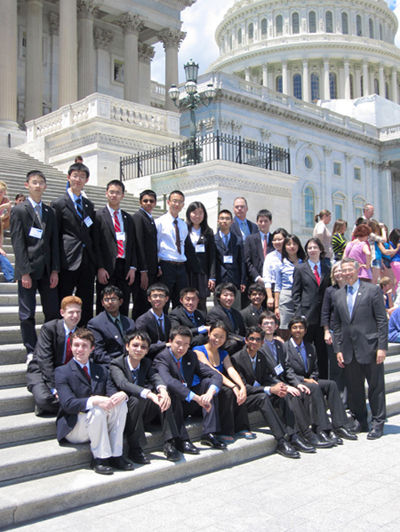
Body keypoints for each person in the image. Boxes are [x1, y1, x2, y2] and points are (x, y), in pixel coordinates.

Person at [55, 328, 132, 475]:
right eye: (76, 345)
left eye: (84, 346)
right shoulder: (62, 372)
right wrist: (94, 400)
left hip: (98, 421)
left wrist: (121, 394)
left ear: (92, 348)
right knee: (96, 409)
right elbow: (68, 404)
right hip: (75, 427)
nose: (80, 349)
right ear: (71, 347)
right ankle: (100, 458)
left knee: (121, 405)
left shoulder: (101, 369)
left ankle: (116, 455)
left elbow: (111, 392)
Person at [334, 258, 388, 439]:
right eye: (344, 270)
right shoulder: (338, 295)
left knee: (375, 388)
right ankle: (361, 421)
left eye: (350, 269)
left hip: (371, 348)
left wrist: (382, 347)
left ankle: (378, 423)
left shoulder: (372, 290)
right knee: (355, 388)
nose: (346, 273)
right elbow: (338, 325)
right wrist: (338, 349)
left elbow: (382, 320)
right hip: (349, 350)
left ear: (357, 270)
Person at [259, 312, 329, 450]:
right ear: (260, 326)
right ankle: (304, 435)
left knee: (306, 389)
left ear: (276, 326)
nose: (269, 326)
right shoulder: (258, 346)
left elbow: (287, 369)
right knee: (293, 395)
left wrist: (297, 383)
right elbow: (264, 375)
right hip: (270, 386)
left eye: (271, 323)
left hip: (284, 381)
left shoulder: (279, 345)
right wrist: (285, 385)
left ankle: (317, 430)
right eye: (265, 323)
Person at [110, 331, 181, 464]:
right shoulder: (116, 364)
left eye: (143, 347)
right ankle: (135, 449)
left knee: (165, 396)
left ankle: (169, 443)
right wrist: (149, 394)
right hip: (124, 415)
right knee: (135, 400)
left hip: (142, 412)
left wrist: (162, 390)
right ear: (127, 346)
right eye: (135, 345)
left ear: (147, 350)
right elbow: (123, 384)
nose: (138, 349)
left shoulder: (146, 363)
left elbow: (155, 377)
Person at [284, 317, 357, 445]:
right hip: (296, 382)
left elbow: (315, 368)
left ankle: (340, 426)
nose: (298, 330)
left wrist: (312, 378)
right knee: (315, 388)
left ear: (305, 330)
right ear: (290, 330)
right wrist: (303, 380)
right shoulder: (285, 347)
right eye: (294, 327)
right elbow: (287, 370)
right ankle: (323, 429)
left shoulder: (310, 347)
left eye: (301, 328)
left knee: (331, 385)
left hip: (310, 381)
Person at [10, 170, 60, 359]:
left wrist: (55, 269)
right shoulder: (19, 210)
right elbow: (18, 243)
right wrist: (23, 272)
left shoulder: (50, 212)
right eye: (34, 182)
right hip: (28, 271)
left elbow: (54, 242)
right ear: (27, 185)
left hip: (48, 271)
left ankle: (49, 348)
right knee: (27, 313)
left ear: (45, 186)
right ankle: (31, 349)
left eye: (41, 182)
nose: (38, 186)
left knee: (52, 312)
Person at [231, 326, 301, 458]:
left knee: (282, 394)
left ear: (262, 343)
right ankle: (281, 440)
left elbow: (265, 377)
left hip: (259, 393)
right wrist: (269, 389)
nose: (254, 342)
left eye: (258, 340)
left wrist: (278, 385)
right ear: (246, 340)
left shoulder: (261, 357)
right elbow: (244, 386)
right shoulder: (236, 359)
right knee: (263, 397)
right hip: (244, 399)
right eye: (251, 339)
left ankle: (293, 435)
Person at [153, 326, 227, 452]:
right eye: (178, 343)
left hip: (186, 403)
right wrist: (196, 398)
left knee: (209, 383)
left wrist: (209, 393)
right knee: (173, 391)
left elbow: (215, 375)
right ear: (170, 342)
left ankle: (209, 434)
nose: (181, 348)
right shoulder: (162, 358)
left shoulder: (190, 356)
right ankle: (182, 440)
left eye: (186, 344)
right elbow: (169, 382)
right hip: (168, 406)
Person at [51, 162, 96, 326]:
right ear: (69, 177)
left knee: (86, 301)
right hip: (67, 259)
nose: (78, 179)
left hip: (86, 260)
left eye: (82, 176)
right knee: (64, 300)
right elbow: (54, 236)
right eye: (75, 176)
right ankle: (63, 335)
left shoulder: (88, 205)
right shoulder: (58, 204)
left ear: (87, 180)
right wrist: (55, 267)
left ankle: (85, 336)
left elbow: (91, 232)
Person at [194, 322, 253, 442]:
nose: (218, 340)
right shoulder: (198, 350)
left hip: (216, 387)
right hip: (201, 390)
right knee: (228, 390)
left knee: (236, 391)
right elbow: (213, 371)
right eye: (215, 335)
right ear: (209, 333)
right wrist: (233, 386)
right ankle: (218, 431)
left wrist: (241, 386)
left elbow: (230, 369)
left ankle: (239, 426)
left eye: (222, 337)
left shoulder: (223, 353)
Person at [26, 296, 82, 416]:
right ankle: (71, 406)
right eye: (71, 312)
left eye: (78, 312)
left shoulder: (81, 333)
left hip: (65, 374)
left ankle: (68, 405)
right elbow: (44, 360)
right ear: (62, 313)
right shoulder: (50, 328)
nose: (75, 316)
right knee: (44, 399)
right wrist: (55, 387)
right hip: (41, 371)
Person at [94, 180, 137, 317]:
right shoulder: (98, 216)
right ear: (106, 193)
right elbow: (96, 244)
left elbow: (132, 245)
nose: (114, 195)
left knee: (123, 302)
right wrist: (100, 267)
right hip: (107, 268)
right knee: (106, 301)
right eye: (111, 192)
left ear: (123, 195)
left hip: (124, 267)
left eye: (118, 193)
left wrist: (132, 267)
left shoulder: (127, 218)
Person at [292, 237, 331, 379]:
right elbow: (296, 294)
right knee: (306, 350)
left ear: (320, 250)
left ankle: (323, 380)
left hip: (323, 317)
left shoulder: (327, 268)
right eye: (309, 248)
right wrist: (299, 315)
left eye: (315, 247)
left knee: (322, 351)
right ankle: (307, 378)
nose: (312, 250)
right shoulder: (300, 269)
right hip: (306, 316)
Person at [156, 190, 188, 311]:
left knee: (180, 300)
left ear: (183, 205)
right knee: (164, 299)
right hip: (166, 265)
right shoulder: (160, 222)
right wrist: (157, 265)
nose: (177, 204)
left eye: (180, 202)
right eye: (174, 201)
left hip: (181, 266)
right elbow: (156, 244)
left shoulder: (183, 225)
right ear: (168, 202)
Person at [88, 286, 135, 366]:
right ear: (102, 303)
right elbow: (98, 353)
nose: (110, 302)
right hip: (108, 365)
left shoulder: (130, 322)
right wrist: (120, 364)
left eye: (113, 299)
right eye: (106, 300)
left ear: (120, 301)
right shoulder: (95, 323)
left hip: (130, 363)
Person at [320, 261, 347, 402]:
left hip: (349, 333)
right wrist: (326, 331)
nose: (338, 273)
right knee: (336, 367)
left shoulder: (352, 289)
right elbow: (325, 312)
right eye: (335, 271)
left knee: (349, 368)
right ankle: (337, 400)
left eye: (340, 270)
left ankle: (349, 400)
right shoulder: (330, 291)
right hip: (333, 331)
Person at [132, 190, 159, 320]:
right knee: (141, 303)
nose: (148, 203)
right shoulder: (138, 217)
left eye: (151, 201)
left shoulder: (150, 218)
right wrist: (143, 270)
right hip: (143, 271)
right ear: (140, 202)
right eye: (145, 201)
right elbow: (139, 244)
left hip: (152, 269)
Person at [184, 201, 216, 312]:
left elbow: (212, 256)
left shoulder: (208, 232)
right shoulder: (183, 229)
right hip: (187, 272)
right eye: (194, 212)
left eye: (200, 213)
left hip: (202, 273)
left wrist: (212, 276)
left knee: (201, 302)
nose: (197, 216)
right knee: (187, 300)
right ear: (189, 213)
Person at [274, 234, 306, 339]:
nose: (291, 246)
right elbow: (278, 286)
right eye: (288, 244)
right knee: (286, 329)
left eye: (294, 244)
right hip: (286, 297)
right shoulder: (280, 264)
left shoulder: (304, 263)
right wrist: (276, 306)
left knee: (301, 327)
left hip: (302, 296)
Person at [214, 209, 246, 310]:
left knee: (235, 309)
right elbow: (211, 262)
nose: (224, 221)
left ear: (232, 222)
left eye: (227, 219)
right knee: (219, 310)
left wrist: (243, 280)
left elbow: (242, 261)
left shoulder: (238, 240)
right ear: (218, 221)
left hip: (234, 279)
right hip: (219, 279)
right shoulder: (213, 239)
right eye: (222, 218)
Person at [207, 282, 246, 355]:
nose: (229, 298)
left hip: (237, 342)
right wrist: (241, 339)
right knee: (233, 343)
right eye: (225, 295)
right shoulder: (214, 312)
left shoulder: (237, 313)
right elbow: (220, 332)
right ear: (218, 297)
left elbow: (243, 330)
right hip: (221, 343)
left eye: (232, 295)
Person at [135, 283, 172, 359]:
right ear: (149, 299)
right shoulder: (142, 321)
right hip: (149, 359)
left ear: (167, 299)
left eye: (161, 296)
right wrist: (164, 345)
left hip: (167, 358)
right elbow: (142, 346)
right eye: (154, 296)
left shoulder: (168, 319)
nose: (158, 299)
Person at [243, 209, 274, 294]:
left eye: (266, 221)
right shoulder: (250, 239)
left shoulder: (274, 239)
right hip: (254, 282)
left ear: (270, 222)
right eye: (260, 221)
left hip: (272, 283)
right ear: (257, 222)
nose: (263, 224)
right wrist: (257, 277)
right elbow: (247, 261)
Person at [263, 228, 288, 310]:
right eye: (274, 240)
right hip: (274, 289)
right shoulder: (270, 256)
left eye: (280, 239)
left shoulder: (292, 254)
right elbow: (267, 278)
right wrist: (270, 297)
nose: (277, 242)